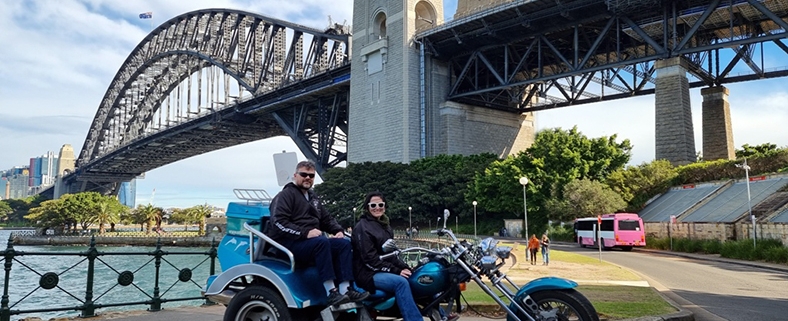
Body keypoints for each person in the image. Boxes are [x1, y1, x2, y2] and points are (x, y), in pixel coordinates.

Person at [268, 160, 369, 306]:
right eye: (304, 174)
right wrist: (304, 233)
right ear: (295, 176)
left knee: (343, 244)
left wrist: (338, 230)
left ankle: (345, 290)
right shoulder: (285, 196)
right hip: (289, 244)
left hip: (310, 243)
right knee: (321, 242)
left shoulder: (313, 198)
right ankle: (331, 293)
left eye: (311, 175)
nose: (308, 178)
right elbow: (278, 223)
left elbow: (326, 219)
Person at [352, 191, 424, 321]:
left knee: (417, 276)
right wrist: (396, 270)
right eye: (373, 205)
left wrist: (405, 267)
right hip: (368, 273)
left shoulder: (386, 227)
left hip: (380, 269)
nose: (377, 208)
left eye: (380, 204)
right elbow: (369, 259)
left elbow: (391, 255)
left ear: (385, 206)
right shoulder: (362, 227)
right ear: (367, 207)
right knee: (400, 282)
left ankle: (440, 315)